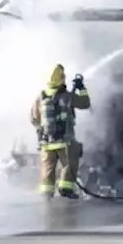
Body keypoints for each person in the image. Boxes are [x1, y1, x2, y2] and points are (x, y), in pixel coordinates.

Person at [30, 64, 91, 198]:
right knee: (70, 164)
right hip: (65, 143)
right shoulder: (67, 96)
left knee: (47, 170)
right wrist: (81, 88)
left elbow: (33, 119)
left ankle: (46, 194)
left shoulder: (40, 97)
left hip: (47, 144)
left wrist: (44, 129)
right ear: (62, 78)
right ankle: (66, 188)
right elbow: (85, 103)